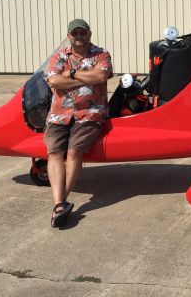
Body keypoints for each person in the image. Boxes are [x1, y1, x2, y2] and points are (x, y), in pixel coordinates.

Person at [44, 18, 113, 227]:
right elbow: (54, 80)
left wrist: (71, 73)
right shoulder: (59, 56)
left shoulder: (101, 54)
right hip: (59, 114)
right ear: (69, 36)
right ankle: (60, 203)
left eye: (83, 32)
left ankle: (61, 201)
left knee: (74, 151)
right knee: (54, 152)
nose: (79, 37)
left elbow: (101, 75)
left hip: (90, 113)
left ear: (89, 34)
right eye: (75, 33)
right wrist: (85, 77)